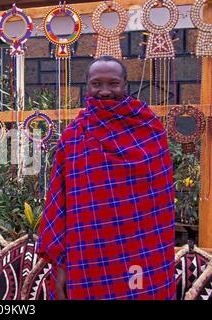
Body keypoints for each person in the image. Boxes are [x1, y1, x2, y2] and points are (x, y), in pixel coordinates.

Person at [36, 56, 175, 300]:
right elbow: (59, 199)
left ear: (125, 85)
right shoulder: (74, 135)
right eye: (96, 83)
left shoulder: (148, 129)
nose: (104, 91)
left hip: (139, 246)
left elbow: (159, 198)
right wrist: (60, 265)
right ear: (87, 86)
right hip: (89, 247)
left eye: (113, 83)